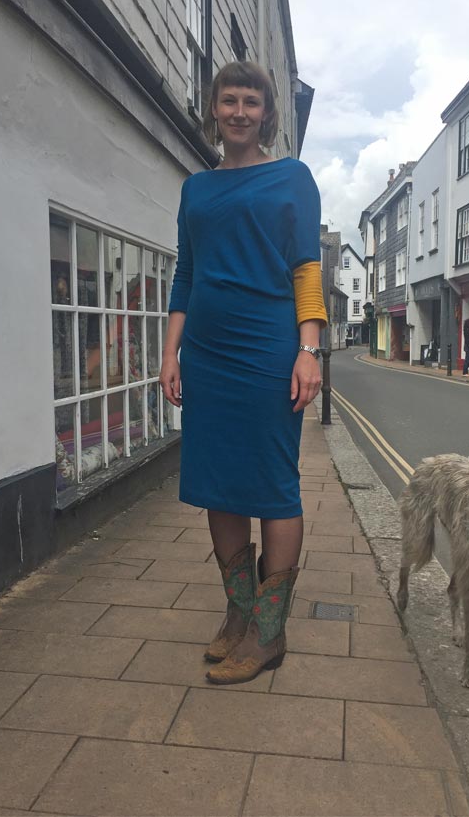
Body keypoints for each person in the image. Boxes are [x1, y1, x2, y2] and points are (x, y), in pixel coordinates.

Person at [159, 61, 328, 685]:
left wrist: (307, 349)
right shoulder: (195, 189)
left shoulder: (292, 178)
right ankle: (238, 613)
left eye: (250, 102)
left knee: (270, 484)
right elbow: (186, 273)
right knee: (218, 482)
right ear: (214, 108)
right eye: (227, 100)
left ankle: (268, 631)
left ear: (266, 114)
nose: (238, 111)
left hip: (266, 349)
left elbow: (306, 268)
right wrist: (170, 351)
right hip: (207, 353)